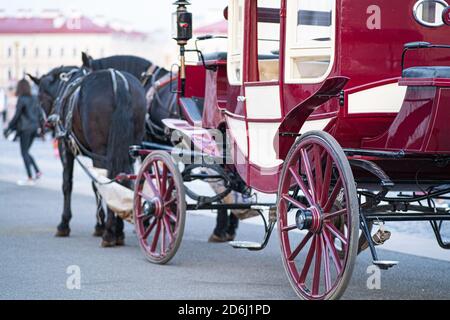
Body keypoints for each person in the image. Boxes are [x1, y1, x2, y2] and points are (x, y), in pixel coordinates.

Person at [3, 79, 43, 186]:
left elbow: (17, 115)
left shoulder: (21, 99)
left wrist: (8, 127)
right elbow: (40, 114)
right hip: (34, 128)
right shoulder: (35, 98)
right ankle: (37, 171)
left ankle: (30, 177)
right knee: (27, 151)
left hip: (25, 129)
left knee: (24, 152)